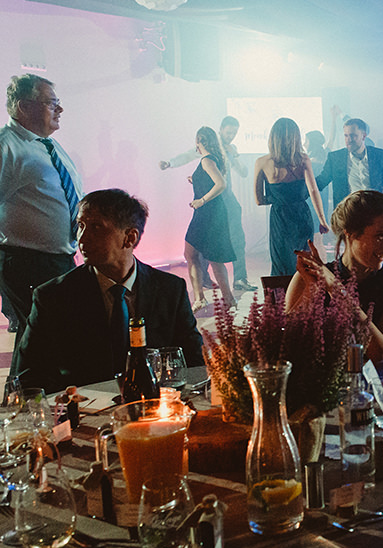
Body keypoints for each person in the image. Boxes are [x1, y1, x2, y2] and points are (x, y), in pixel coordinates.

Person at [16, 189, 203, 392]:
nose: (82, 238)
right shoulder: (54, 297)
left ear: (130, 238)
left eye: (96, 227)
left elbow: (194, 363)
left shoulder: (169, 290)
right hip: (86, 407)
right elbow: (29, 377)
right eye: (81, 226)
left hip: (156, 404)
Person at [0, 74, 83, 375]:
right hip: (26, 262)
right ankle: (26, 395)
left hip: (57, 260)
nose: (59, 109)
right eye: (51, 103)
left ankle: (29, 395)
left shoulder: (48, 145)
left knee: (41, 338)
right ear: (24, 107)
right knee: (41, 336)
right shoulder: (6, 147)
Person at [286, 190, 383, 362]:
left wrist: (335, 289)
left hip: (371, 379)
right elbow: (285, 344)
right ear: (350, 233)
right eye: (380, 236)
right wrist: (312, 290)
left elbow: (380, 352)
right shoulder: (309, 277)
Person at [160, 116, 256, 292]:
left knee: (238, 239)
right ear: (221, 130)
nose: (231, 136)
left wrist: (234, 155)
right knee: (207, 242)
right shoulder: (208, 147)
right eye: (229, 132)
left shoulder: (231, 150)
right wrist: (170, 163)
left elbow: (243, 172)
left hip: (229, 201)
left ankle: (240, 279)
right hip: (213, 203)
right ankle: (204, 278)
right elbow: (187, 156)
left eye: (234, 133)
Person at [254, 118, 329, 277]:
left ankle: (283, 293)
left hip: (280, 219)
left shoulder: (261, 162)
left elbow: (259, 200)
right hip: (302, 215)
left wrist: (278, 198)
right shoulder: (303, 159)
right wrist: (322, 220)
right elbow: (314, 190)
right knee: (304, 262)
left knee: (282, 265)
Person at [184, 126, 236, 311]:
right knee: (214, 258)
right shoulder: (214, 159)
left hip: (207, 213)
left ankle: (201, 299)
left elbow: (221, 184)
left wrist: (202, 200)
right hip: (213, 213)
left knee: (192, 254)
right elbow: (214, 181)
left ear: (199, 141)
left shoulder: (206, 160)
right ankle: (227, 299)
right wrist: (196, 180)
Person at [315, 118, 383, 214]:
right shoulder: (335, 158)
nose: (349, 140)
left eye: (353, 136)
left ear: (363, 136)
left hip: (375, 212)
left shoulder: (380, 156)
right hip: (347, 214)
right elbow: (321, 181)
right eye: (346, 136)